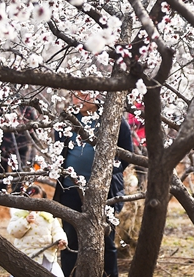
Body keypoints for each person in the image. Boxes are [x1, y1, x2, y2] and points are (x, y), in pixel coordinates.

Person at [54, 91, 133, 277]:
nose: (78, 99)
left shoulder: (113, 120)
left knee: (105, 240)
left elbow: (127, 154)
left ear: (96, 95)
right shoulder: (66, 121)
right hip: (71, 189)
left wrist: (106, 173)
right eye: (75, 95)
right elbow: (58, 153)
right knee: (70, 239)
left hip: (104, 191)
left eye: (84, 95)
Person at [7, 185, 67, 276]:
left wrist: (60, 240)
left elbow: (57, 230)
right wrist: (25, 221)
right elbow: (13, 231)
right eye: (31, 200)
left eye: (38, 201)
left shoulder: (48, 216)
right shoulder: (20, 215)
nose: (34, 204)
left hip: (46, 257)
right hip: (26, 255)